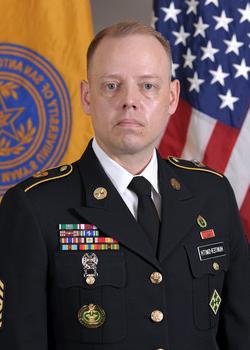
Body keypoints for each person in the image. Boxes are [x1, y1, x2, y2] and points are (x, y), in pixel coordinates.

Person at [0, 21, 249, 350]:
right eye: (111, 86)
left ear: (172, 97)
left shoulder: (212, 194)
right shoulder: (34, 207)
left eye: (147, 86)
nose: (129, 101)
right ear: (87, 97)